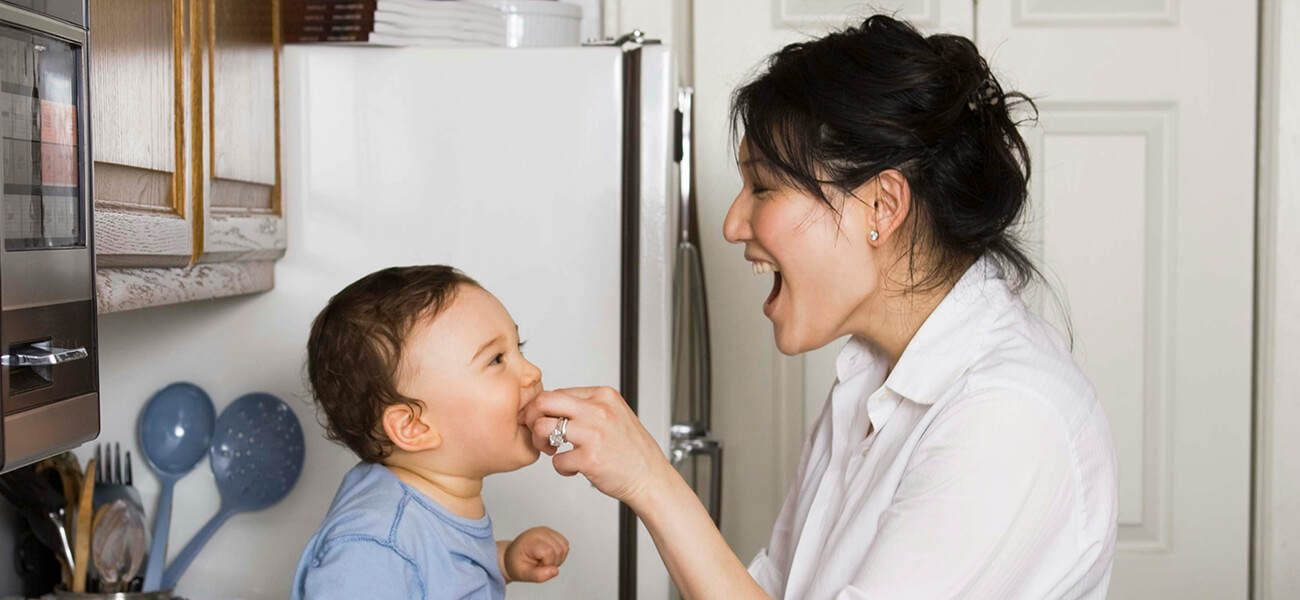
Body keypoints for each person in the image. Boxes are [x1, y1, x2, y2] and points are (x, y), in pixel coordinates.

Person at [519, 15, 1118, 599]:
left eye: (762, 187)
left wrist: (649, 478)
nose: (731, 224)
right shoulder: (868, 377)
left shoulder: (1009, 418)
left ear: (881, 207)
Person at [292, 265, 569, 600]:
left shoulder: (427, 501)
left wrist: (503, 562)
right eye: (496, 360)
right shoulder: (374, 545)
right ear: (414, 427)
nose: (532, 372)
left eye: (518, 347)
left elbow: (434, 572)